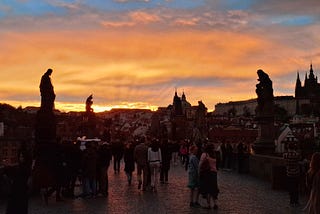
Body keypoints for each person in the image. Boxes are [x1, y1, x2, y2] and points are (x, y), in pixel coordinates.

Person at [5, 143, 32, 214]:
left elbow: (14, 173)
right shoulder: (25, 167)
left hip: (19, 191)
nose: (20, 158)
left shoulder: (23, 168)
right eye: (20, 157)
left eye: (22, 157)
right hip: (19, 191)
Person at [199, 144, 219, 209]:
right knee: (213, 189)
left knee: (206, 189)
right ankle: (215, 204)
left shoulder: (205, 154)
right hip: (214, 173)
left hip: (207, 173)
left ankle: (208, 204)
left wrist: (199, 172)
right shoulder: (214, 155)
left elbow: (200, 164)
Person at [283, 143, 301, 207]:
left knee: (291, 188)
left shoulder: (285, 155)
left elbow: (285, 162)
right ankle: (296, 201)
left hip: (289, 173)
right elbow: (299, 160)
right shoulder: (297, 154)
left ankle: (291, 201)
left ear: (288, 148)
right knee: (296, 188)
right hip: (296, 173)